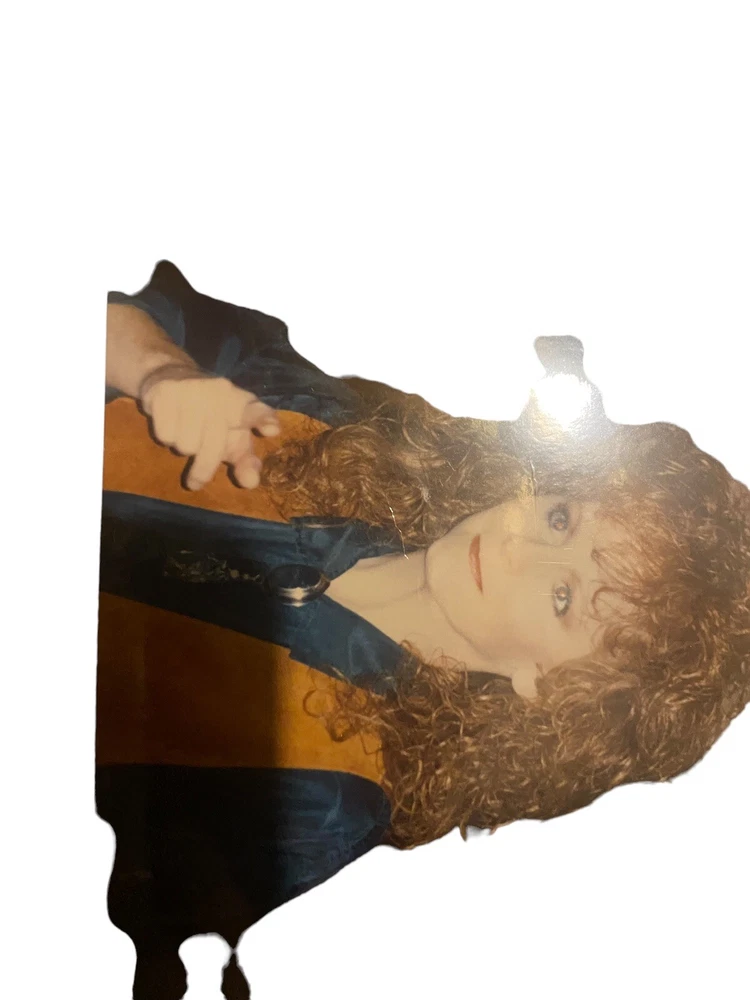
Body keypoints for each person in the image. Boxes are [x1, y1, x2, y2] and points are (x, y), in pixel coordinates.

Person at [100, 262, 750, 999]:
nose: (520, 547)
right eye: (560, 519)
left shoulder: (318, 797)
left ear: (551, 687)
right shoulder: (328, 422)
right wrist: (160, 371)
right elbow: (101, 297)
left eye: (563, 596)